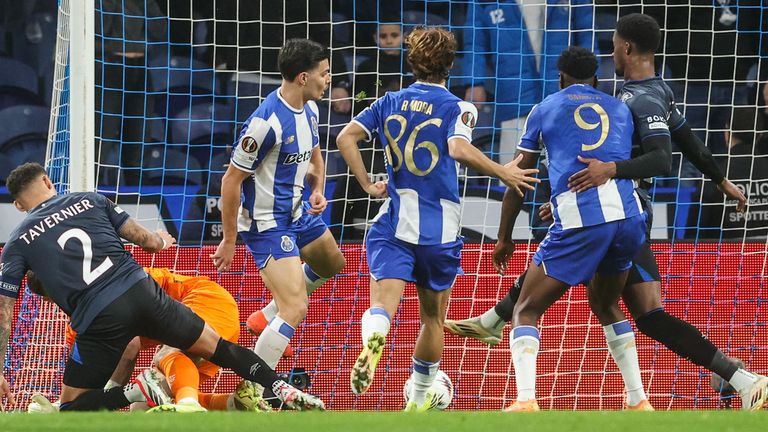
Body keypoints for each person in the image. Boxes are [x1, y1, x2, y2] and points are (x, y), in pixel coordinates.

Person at [446, 13, 768, 412]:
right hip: (623, 214)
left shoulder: (635, 101)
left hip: (624, 209)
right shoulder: (644, 95)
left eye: (614, 46)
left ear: (626, 48)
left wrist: (608, 170)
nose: (611, 53)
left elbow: (663, 157)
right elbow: (692, 143)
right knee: (629, 309)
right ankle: (729, 380)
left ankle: (502, 332)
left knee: (600, 293)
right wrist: (721, 180)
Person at [0, 163, 324, 411]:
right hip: (142, 291)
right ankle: (279, 386)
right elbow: (148, 242)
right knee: (220, 349)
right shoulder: (90, 200)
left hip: (99, 315)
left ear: (18, 205)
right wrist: (160, 240)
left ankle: (136, 392)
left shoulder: (17, 243)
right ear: (48, 181)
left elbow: (5, 315)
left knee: (71, 407)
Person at [336, 26, 540, 412]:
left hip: (395, 223)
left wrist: (366, 184)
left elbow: (345, 137)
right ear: (451, 63)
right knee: (432, 320)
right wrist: (503, 171)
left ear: (412, 61)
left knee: (382, 304)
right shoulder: (459, 107)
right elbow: (458, 148)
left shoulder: (389, 101)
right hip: (440, 232)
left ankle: (374, 337)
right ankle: (417, 401)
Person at [211, 39, 346, 375]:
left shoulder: (311, 110)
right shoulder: (264, 125)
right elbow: (230, 181)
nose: (328, 79)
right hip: (267, 223)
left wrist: (317, 189)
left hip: (298, 212)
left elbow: (315, 156)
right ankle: (255, 387)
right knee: (295, 307)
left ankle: (265, 316)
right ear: (303, 77)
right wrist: (229, 239)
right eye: (324, 73)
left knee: (332, 263)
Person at [29, 267, 269, 413]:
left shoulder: (105, 291)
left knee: (167, 355)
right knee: (144, 405)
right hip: (204, 316)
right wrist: (60, 405)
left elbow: (130, 345)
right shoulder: (78, 325)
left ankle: (189, 406)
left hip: (205, 301)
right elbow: (81, 388)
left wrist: (108, 398)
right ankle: (233, 404)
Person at [462, 0, 596, 164]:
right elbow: (475, 40)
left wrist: (589, 81)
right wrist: (475, 82)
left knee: (565, 167)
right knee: (512, 168)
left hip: (561, 94)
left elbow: (587, 34)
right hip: (515, 93)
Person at [699, 107, 768, 240]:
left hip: (725, 251)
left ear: (727, 133)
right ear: (760, 136)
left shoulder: (714, 176)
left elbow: (695, 234)